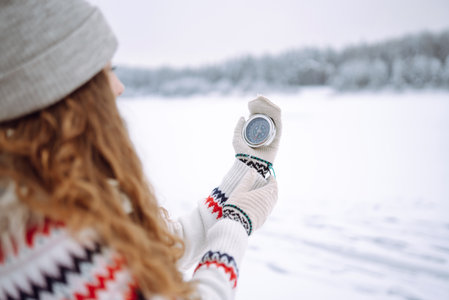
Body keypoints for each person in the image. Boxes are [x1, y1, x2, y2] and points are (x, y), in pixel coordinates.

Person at [0, 1, 282, 299]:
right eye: (105, 72)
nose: (119, 87)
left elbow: (165, 246)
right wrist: (235, 225)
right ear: (64, 94)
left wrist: (245, 170)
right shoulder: (45, 244)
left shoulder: (57, 191)